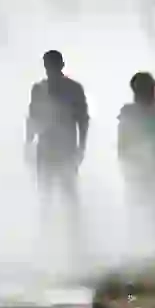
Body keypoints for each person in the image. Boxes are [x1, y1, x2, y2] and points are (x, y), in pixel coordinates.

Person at [25, 50, 90, 243]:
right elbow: (33, 117)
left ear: (61, 65)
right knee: (46, 195)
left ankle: (75, 235)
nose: (50, 69)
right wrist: (28, 142)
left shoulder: (74, 89)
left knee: (68, 194)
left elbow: (82, 119)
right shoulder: (39, 89)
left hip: (65, 148)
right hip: (46, 148)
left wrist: (81, 146)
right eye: (48, 66)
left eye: (53, 65)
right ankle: (46, 236)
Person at [117, 72, 155, 238]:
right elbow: (124, 142)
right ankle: (142, 238)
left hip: (152, 166)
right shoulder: (131, 113)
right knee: (141, 206)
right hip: (140, 167)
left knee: (152, 207)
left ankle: (153, 238)